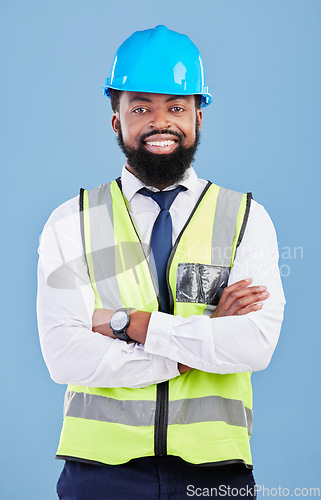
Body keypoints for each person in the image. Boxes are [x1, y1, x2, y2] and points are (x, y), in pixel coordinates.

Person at [37, 25, 285, 500]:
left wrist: (126, 323)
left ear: (197, 118)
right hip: (100, 473)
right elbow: (63, 353)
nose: (160, 121)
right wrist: (194, 353)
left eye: (176, 107)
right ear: (117, 121)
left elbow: (255, 345)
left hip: (216, 472)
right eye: (141, 108)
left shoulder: (245, 219)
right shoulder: (72, 221)